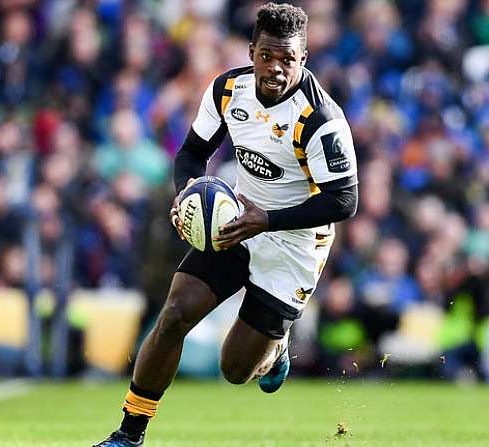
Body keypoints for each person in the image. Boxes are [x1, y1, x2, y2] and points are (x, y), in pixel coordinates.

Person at [94, 3, 358, 446]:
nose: (275, 69)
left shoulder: (320, 121)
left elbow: (344, 200)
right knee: (174, 314)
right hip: (238, 222)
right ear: (252, 50)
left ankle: (274, 351)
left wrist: (268, 220)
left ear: (303, 58)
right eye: (267, 56)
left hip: (294, 245)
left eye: (287, 60)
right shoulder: (227, 90)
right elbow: (190, 155)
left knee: (235, 370)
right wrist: (186, 194)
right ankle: (130, 433)